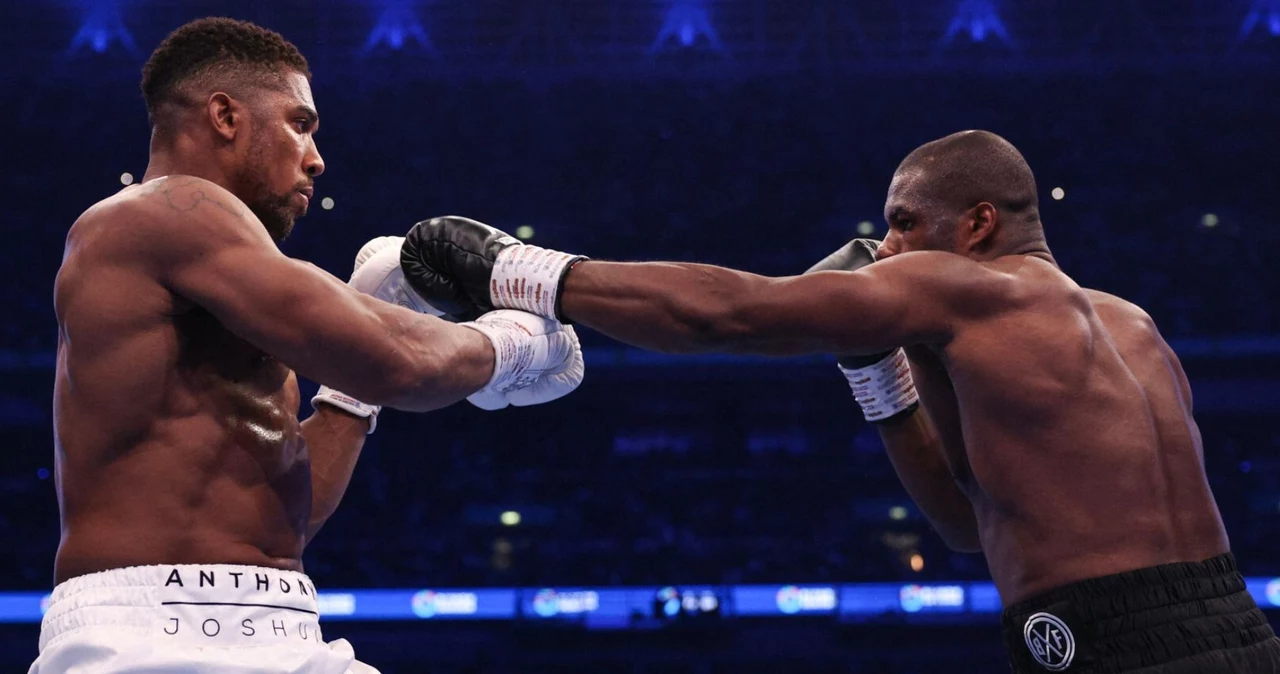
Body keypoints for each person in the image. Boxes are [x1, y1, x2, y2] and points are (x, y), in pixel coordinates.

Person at [398, 130, 1280, 673]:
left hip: (1104, 643)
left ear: (975, 224)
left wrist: (517, 268)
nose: (883, 246)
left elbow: (729, 316)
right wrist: (876, 369)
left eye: (903, 221)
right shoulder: (1134, 327)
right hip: (1237, 625)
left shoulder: (963, 290)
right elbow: (972, 526)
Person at [36, 17, 582, 674]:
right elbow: (401, 366)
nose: (317, 157)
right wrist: (514, 342)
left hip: (283, 624)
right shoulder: (158, 214)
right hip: (155, 637)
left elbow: (277, 528)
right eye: (300, 123)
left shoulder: (227, 284)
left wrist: (350, 398)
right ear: (225, 115)